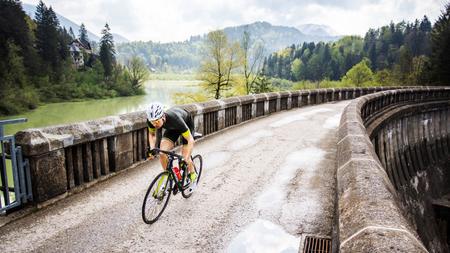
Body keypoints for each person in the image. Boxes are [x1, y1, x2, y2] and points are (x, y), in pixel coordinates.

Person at [146, 102, 197, 191]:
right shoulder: (152, 120)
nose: (155, 124)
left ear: (163, 116)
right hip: (172, 128)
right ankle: (171, 178)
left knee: (186, 157)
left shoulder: (175, 119)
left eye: (157, 121)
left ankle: (193, 176)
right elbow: (152, 134)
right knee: (162, 153)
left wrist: (187, 156)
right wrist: (151, 149)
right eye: (152, 122)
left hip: (185, 124)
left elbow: (190, 140)